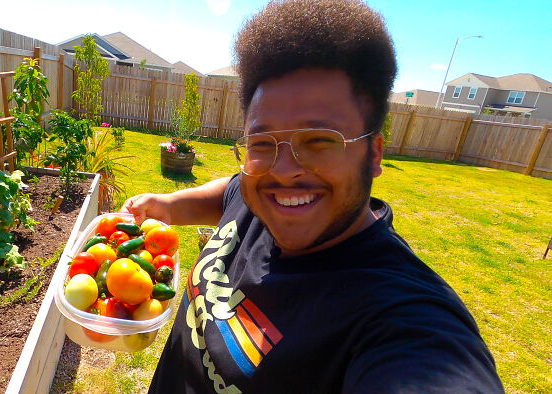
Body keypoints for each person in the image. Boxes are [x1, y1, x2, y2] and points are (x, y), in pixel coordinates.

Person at [121, 0, 504, 392]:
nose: (283, 172)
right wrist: (167, 205)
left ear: (373, 154)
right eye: (262, 143)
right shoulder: (255, 196)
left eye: (320, 141)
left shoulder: (403, 320)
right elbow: (230, 192)